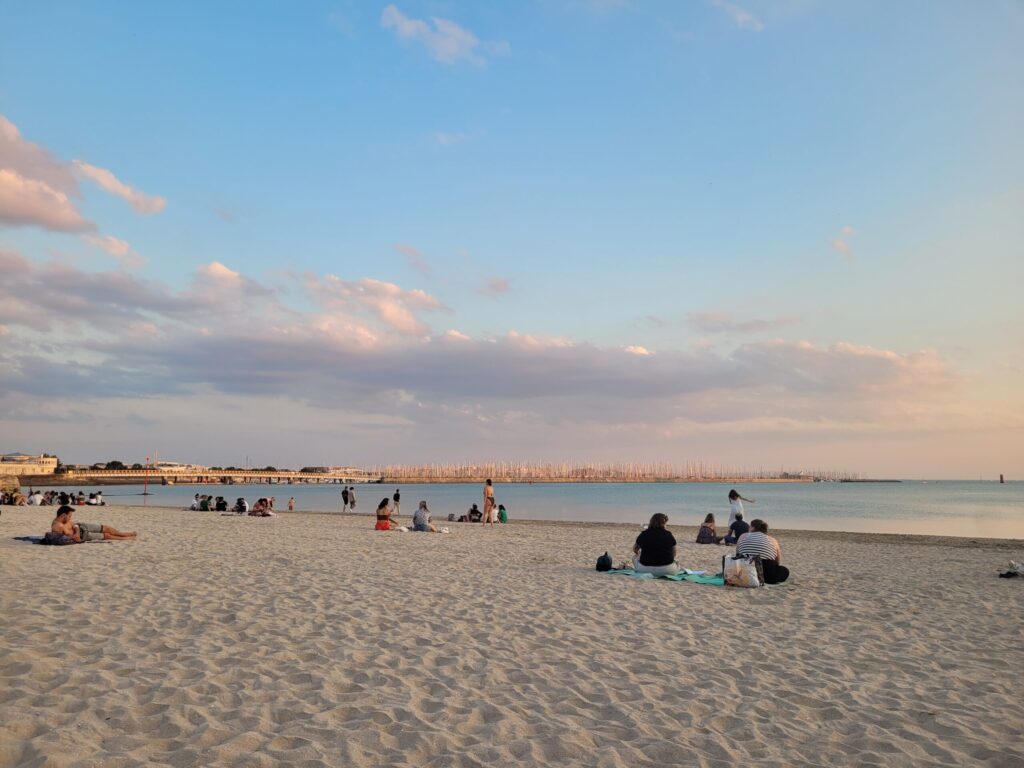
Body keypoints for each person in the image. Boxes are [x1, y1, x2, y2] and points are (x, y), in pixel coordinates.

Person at [736, 519, 789, 584]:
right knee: (785, 570)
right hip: (767, 576)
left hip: (744, 573)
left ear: (753, 527)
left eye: (749, 527)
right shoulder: (773, 540)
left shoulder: (743, 536)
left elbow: (737, 554)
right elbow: (777, 561)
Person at [51, 506, 137, 541]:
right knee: (106, 535)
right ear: (63, 515)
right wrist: (75, 536)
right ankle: (127, 538)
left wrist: (76, 530)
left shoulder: (65, 520)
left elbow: (75, 525)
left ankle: (124, 534)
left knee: (106, 528)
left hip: (81, 526)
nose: (70, 518)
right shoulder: (57, 526)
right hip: (83, 535)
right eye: (69, 516)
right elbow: (61, 538)